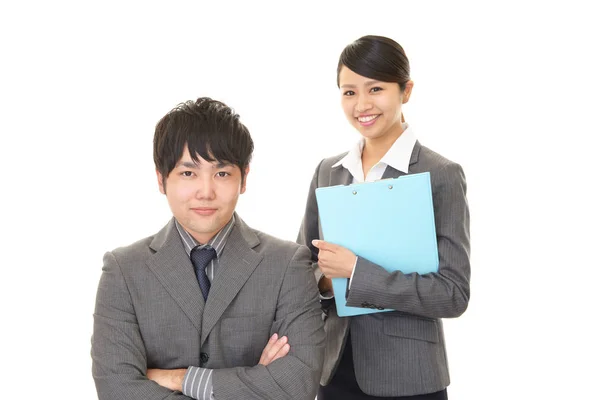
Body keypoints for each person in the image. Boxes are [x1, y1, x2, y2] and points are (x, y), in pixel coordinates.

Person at [91, 97, 325, 399]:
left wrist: (181, 379)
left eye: (222, 173)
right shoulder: (123, 270)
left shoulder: (287, 264)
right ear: (161, 180)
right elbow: (117, 388)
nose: (206, 191)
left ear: (244, 179)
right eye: (188, 173)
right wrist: (256, 380)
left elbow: (298, 384)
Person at [297, 35, 471, 399]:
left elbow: (453, 294)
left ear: (405, 91)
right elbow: (303, 270)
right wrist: (326, 281)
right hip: (335, 372)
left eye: (375, 88)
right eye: (349, 92)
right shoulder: (329, 171)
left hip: (409, 376)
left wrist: (357, 272)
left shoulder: (439, 174)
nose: (362, 104)